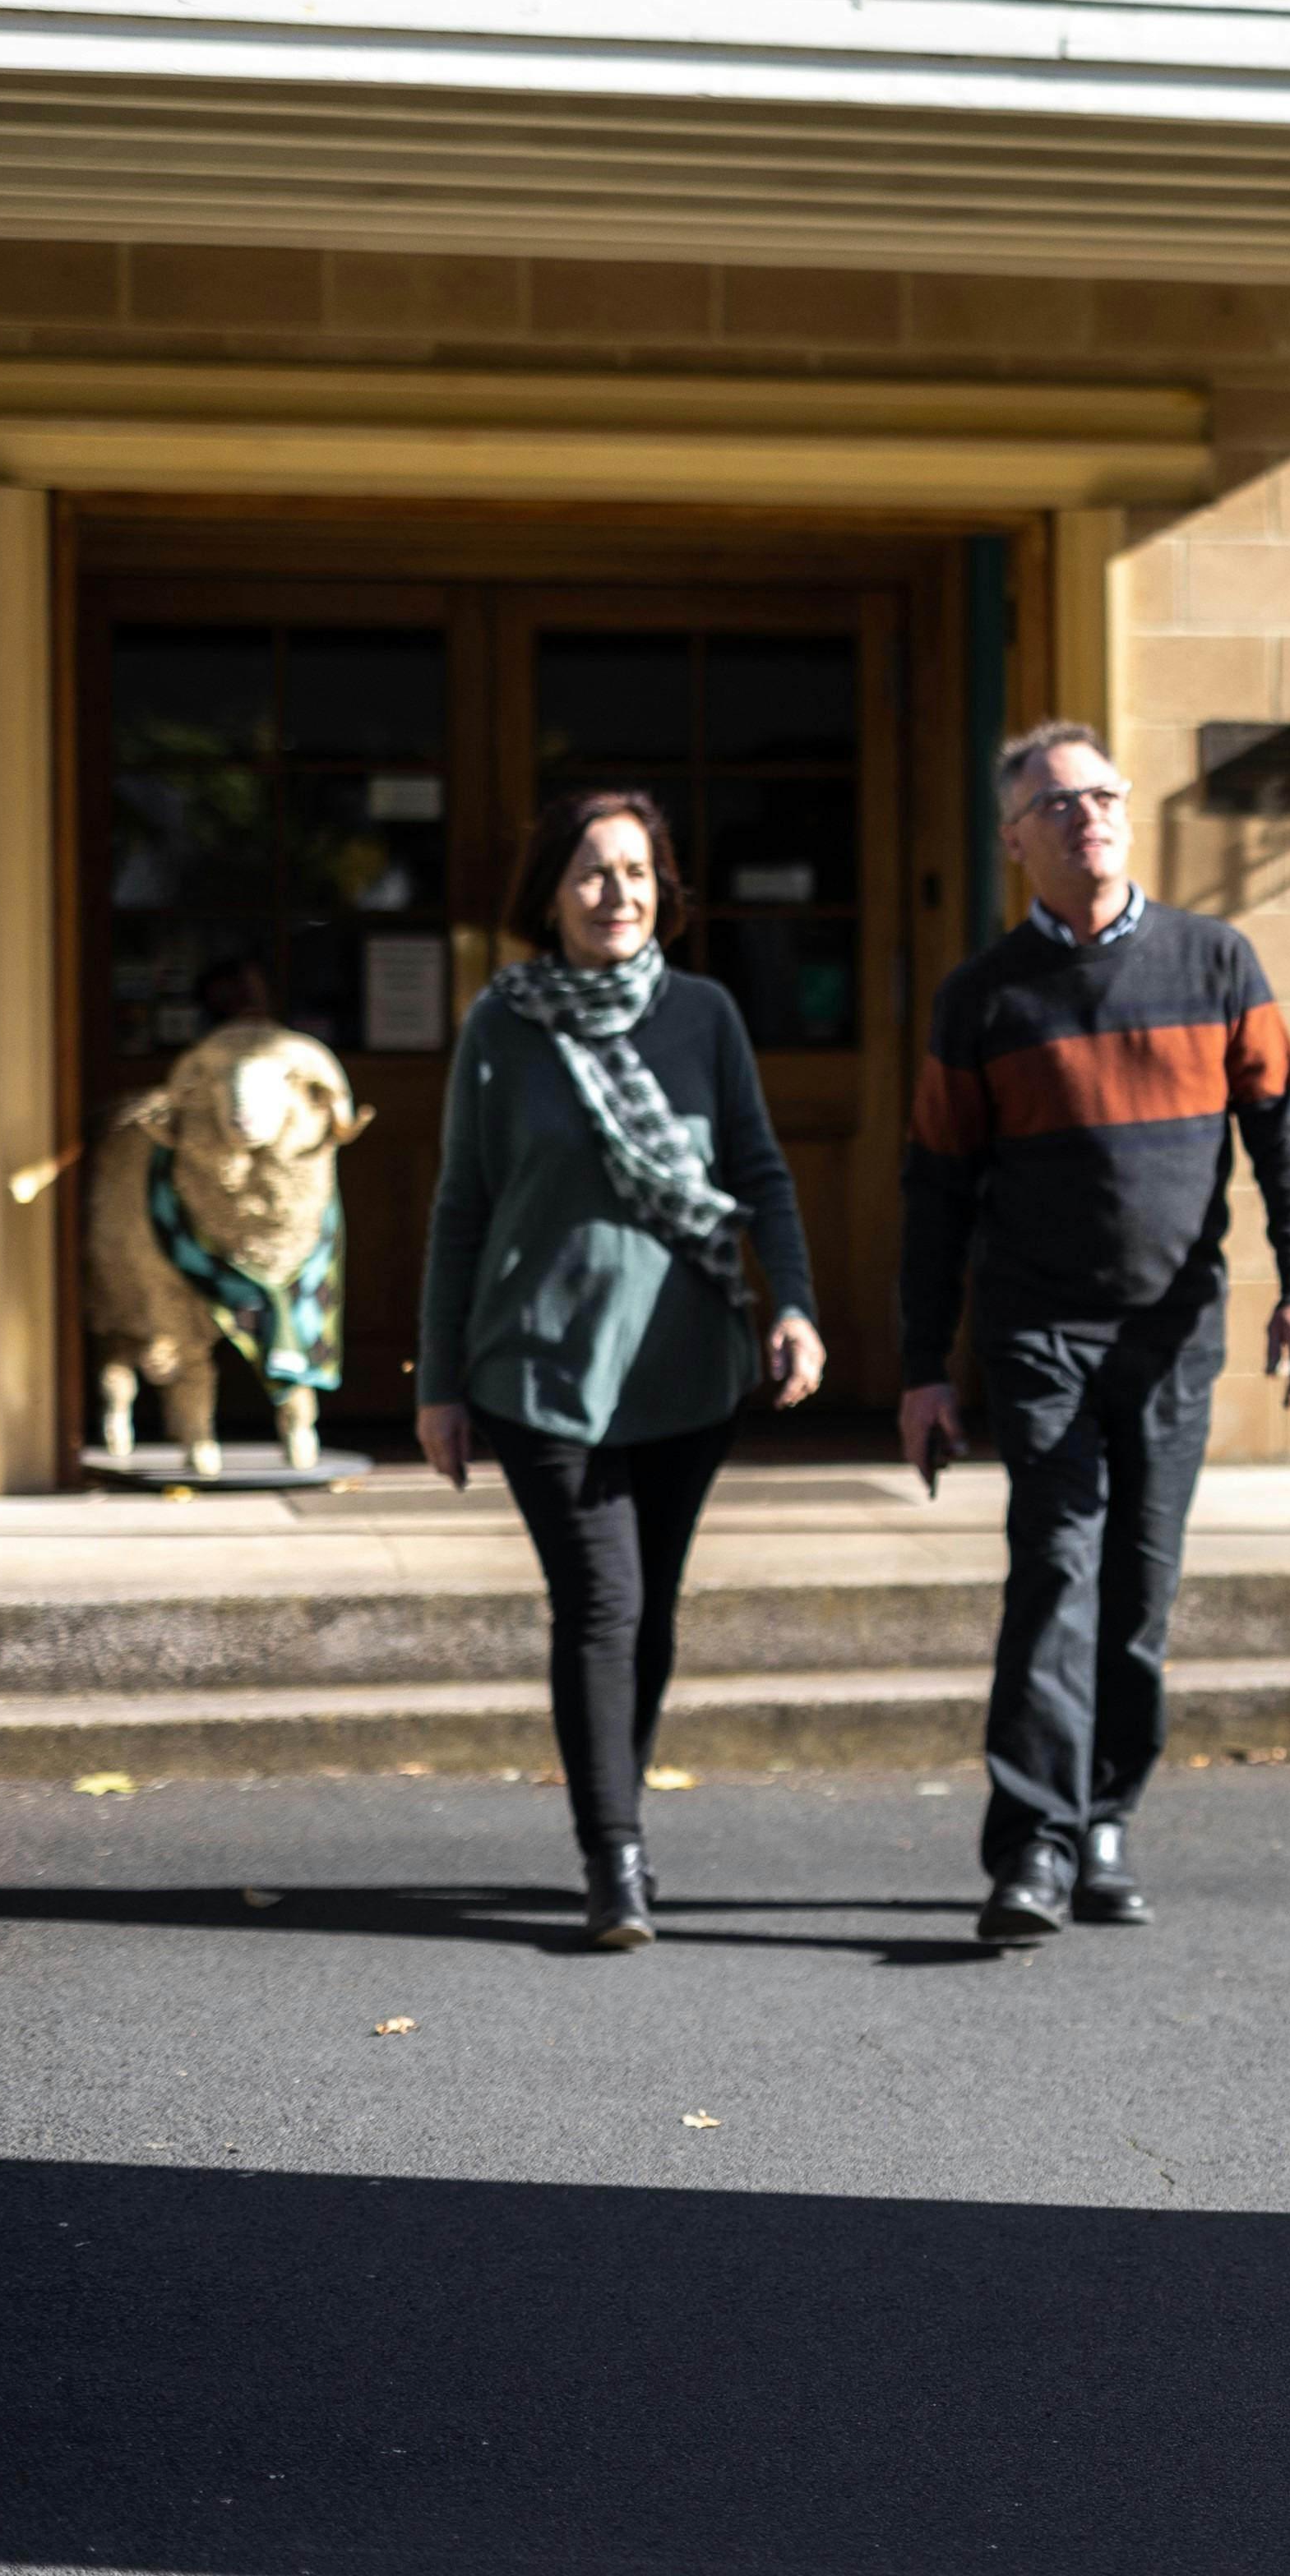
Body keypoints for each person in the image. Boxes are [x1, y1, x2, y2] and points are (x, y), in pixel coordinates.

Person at [901, 722, 1290, 1943]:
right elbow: (933, 1187)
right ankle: (1030, 1846)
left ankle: (1102, 1823)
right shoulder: (983, 999)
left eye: (1103, 795)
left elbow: (1284, 1135)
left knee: (1138, 1593)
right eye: (1058, 803)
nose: (1087, 816)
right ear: (1014, 840)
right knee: (1054, 1575)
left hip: (1174, 1331)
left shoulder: (1216, 963)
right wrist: (924, 1366)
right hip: (1041, 1332)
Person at [417, 792, 824, 1951]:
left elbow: (760, 1170)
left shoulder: (704, 1014)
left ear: (665, 890)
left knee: (647, 1617)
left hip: (689, 1362)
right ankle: (617, 1860)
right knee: (602, 1604)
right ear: (550, 894)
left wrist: (793, 1302)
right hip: (540, 1369)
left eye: (638, 873)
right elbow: (460, 1208)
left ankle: (616, 1814)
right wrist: (438, 1382)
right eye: (593, 874)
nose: (618, 896)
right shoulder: (504, 1028)